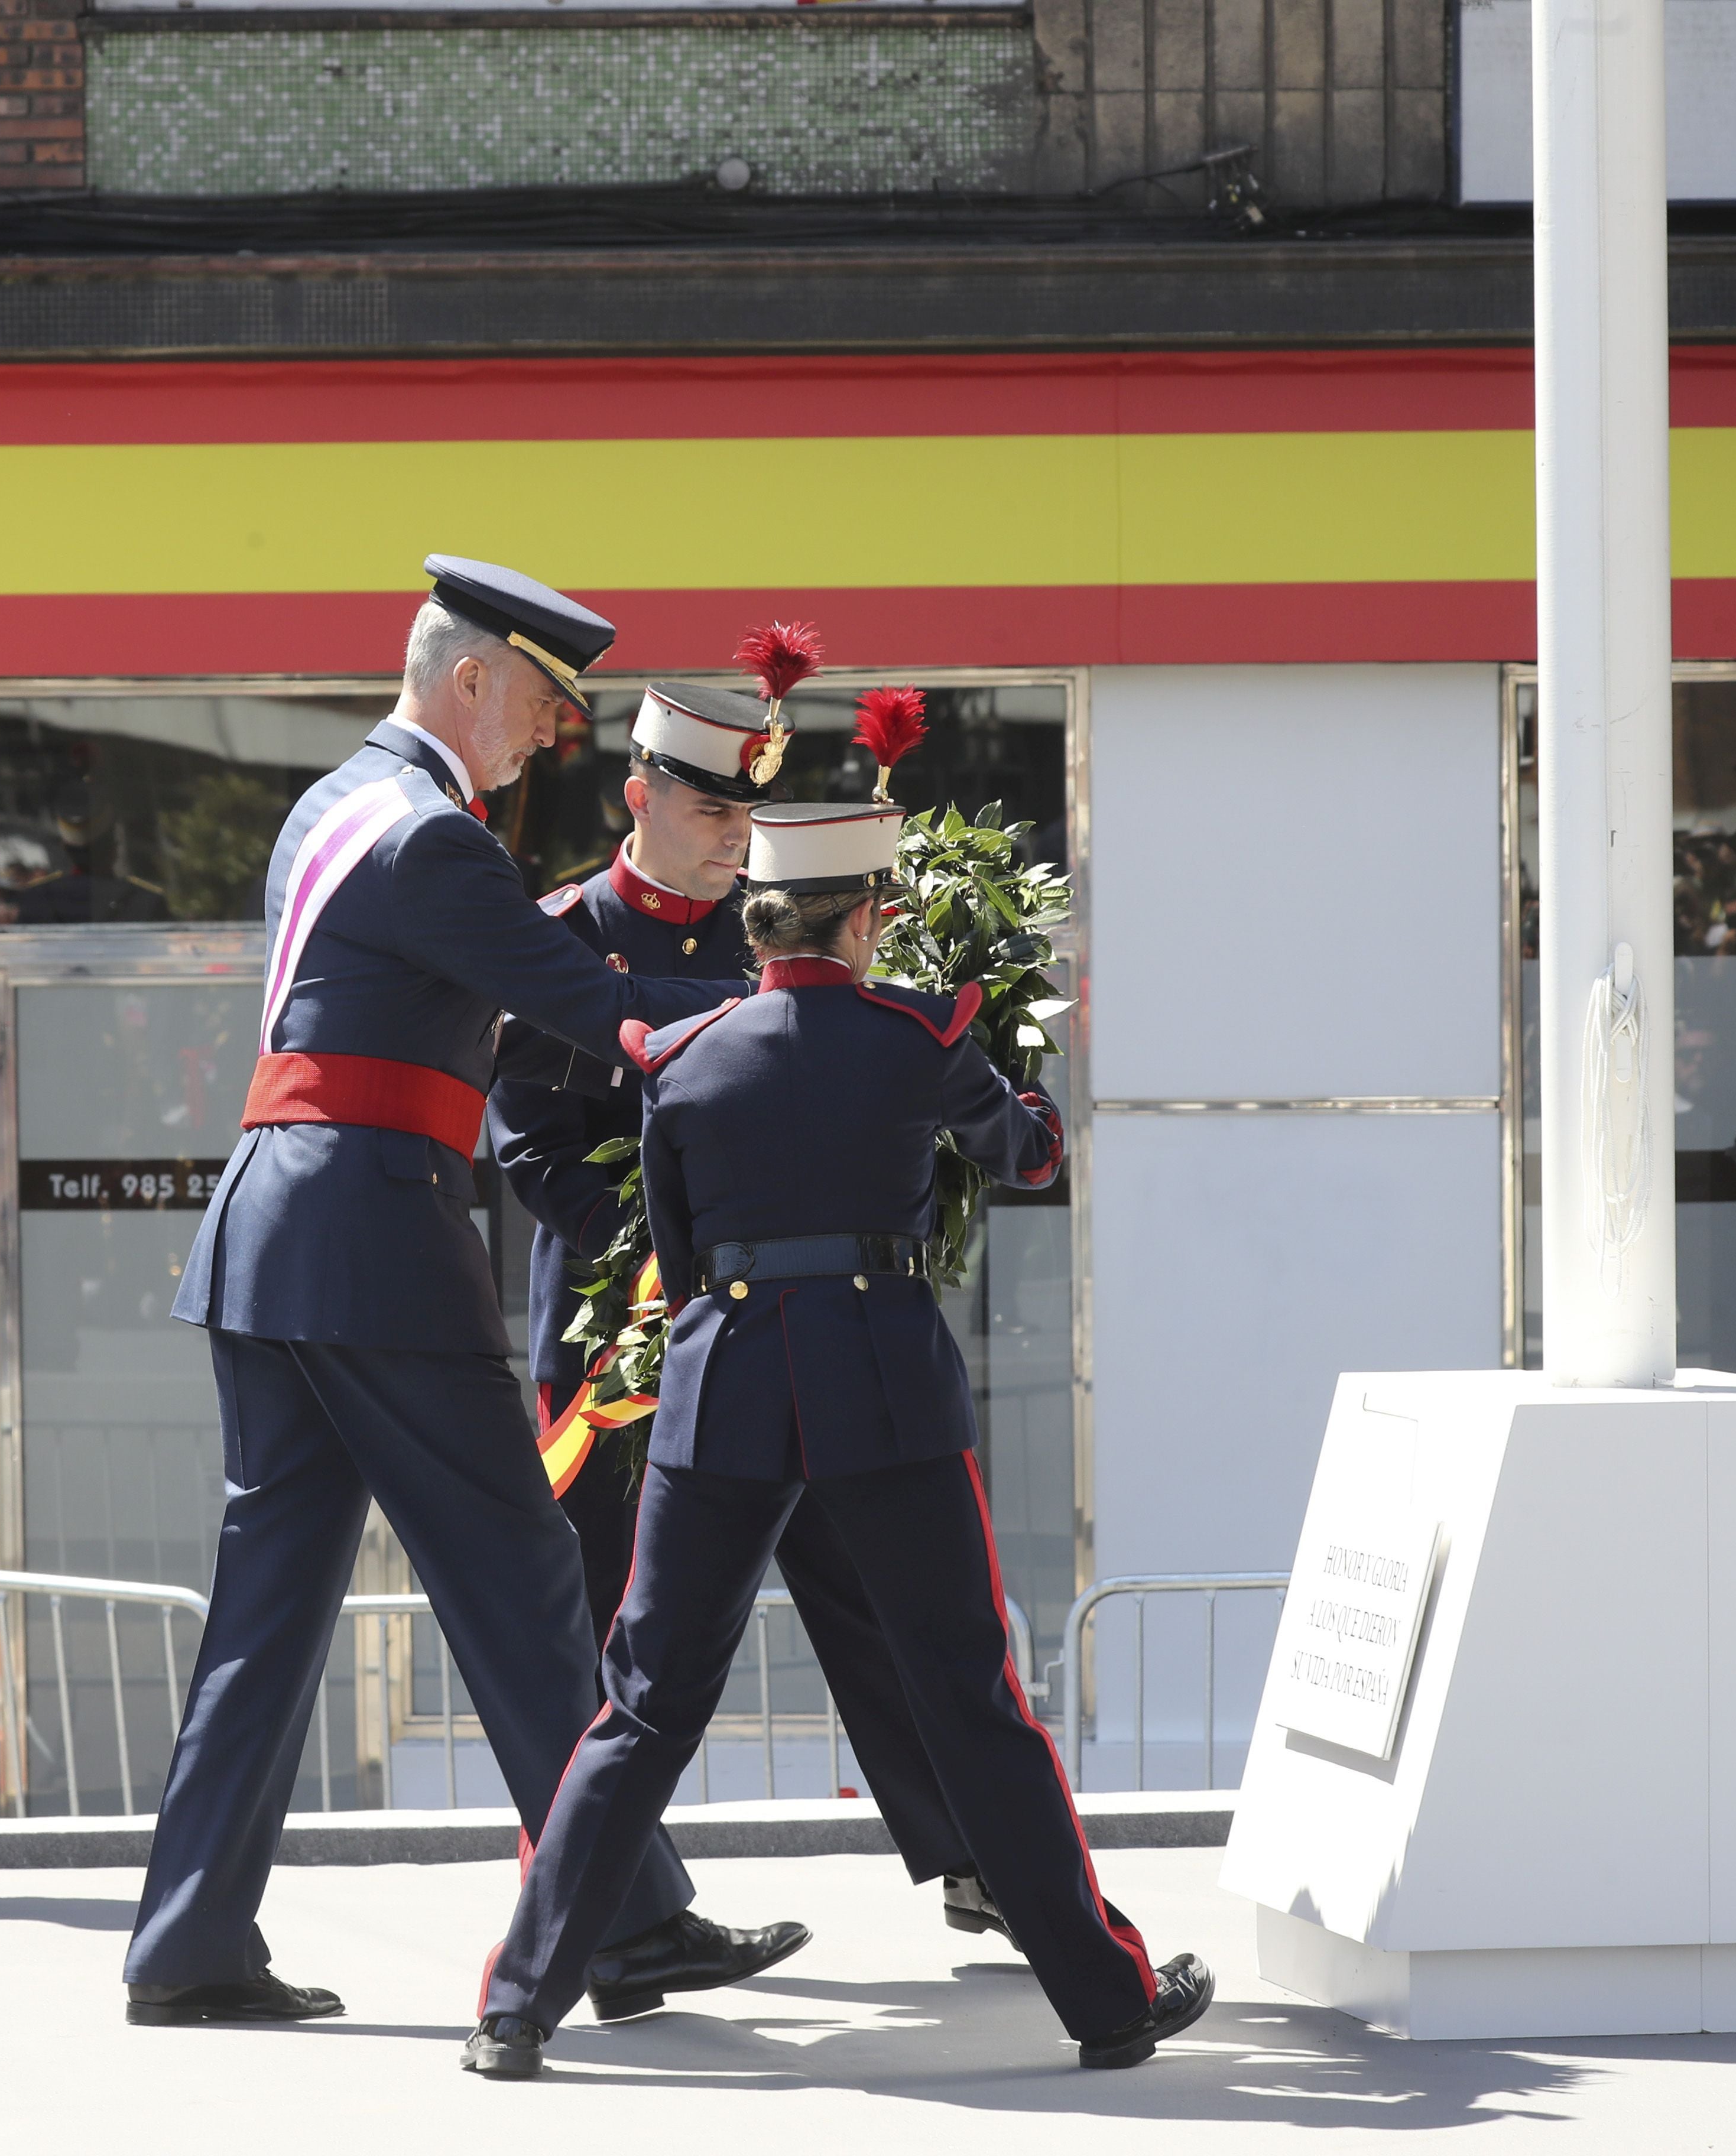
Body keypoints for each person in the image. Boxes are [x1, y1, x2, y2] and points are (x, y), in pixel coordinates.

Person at [124, 557, 804, 2028]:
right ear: (473, 678)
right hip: (372, 1236)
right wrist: (814, 999)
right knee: (520, 1574)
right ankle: (621, 1919)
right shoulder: (433, 839)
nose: (554, 738)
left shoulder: (332, 804)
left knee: (268, 1608)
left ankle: (186, 1945)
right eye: (548, 706)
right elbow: (606, 1009)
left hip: (276, 1234)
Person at [462, 801, 1213, 2079]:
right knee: (973, 1702)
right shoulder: (922, 1034)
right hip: (883, 1391)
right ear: (868, 916)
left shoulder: (682, 1052)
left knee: (642, 1709)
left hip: (725, 1386)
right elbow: (1027, 1154)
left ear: (758, 923)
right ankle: (1106, 2001)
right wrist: (1018, 1079)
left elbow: (680, 1246)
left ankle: (516, 2009)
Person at [486, 681, 1018, 1947]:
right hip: (619, 1337)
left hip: (791, 1325)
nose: (734, 832)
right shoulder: (563, 933)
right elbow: (527, 1148)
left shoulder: (770, 936)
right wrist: (653, 1267)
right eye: (710, 804)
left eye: (748, 810)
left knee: (876, 1596)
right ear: (639, 796)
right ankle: (602, 1922)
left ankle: (978, 1854)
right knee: (608, 1632)